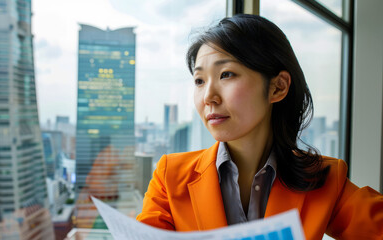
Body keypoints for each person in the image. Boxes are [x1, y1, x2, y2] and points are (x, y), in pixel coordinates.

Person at [136, 14, 383, 239]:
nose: (208, 96)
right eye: (199, 80)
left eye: (226, 74)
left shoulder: (324, 180)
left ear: (278, 87)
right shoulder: (170, 178)